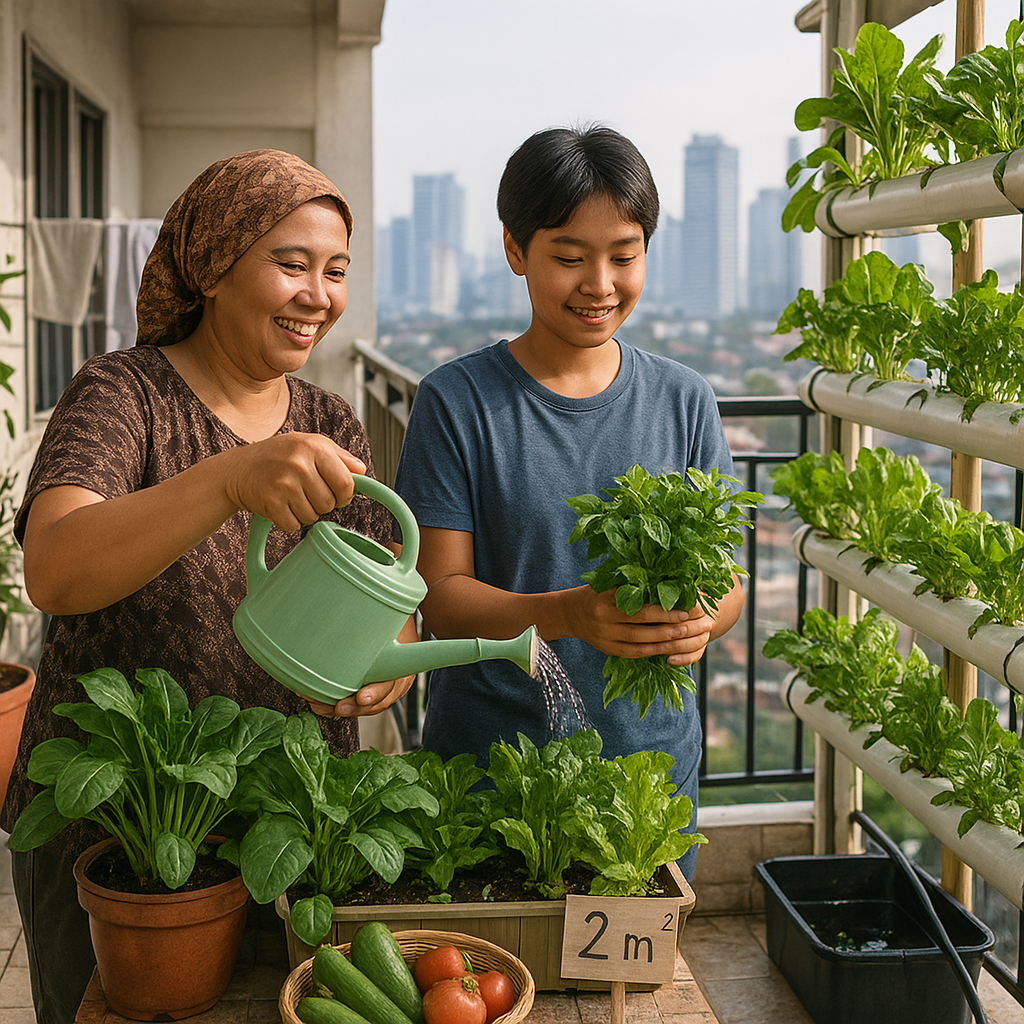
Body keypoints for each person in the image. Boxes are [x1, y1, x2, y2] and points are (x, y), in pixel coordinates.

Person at [0, 149, 417, 1024]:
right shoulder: (122, 393)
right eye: (291, 264)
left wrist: (393, 670)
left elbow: (390, 607)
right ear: (216, 266)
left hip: (283, 828)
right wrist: (229, 479)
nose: (319, 295)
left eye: (336, 271)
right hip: (114, 841)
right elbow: (55, 568)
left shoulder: (331, 422)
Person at [392, 125, 744, 881]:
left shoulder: (684, 400)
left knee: (628, 994)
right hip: (497, 772)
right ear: (517, 251)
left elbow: (730, 584)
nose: (600, 283)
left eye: (624, 255)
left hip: (645, 783)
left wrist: (702, 621)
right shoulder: (457, 401)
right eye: (569, 257)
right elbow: (443, 602)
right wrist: (574, 614)